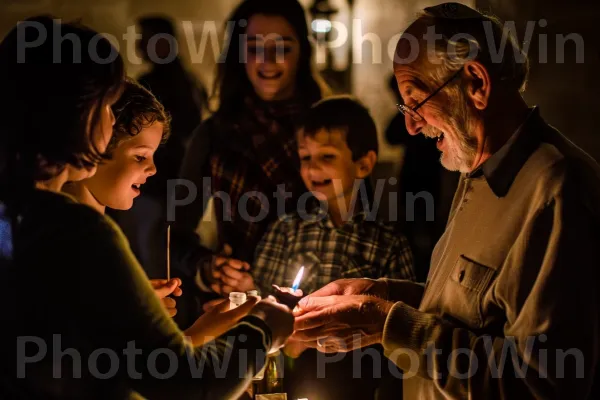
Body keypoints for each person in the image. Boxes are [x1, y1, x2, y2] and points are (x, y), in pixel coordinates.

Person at [290, 3, 600, 399]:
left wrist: (388, 323)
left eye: (416, 101)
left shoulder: (555, 190)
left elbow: (540, 384)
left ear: (475, 83)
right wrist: (381, 295)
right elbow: (472, 313)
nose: (410, 124)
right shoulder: (478, 173)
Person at [0, 16, 293, 399]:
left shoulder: (17, 212)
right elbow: (187, 384)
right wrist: (263, 327)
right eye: (106, 106)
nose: (110, 120)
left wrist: (144, 321)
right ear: (72, 111)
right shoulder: (72, 229)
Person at [171, 0, 329, 317]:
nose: (267, 60)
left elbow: (360, 220)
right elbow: (175, 235)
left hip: (320, 304)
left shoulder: (328, 128)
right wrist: (208, 267)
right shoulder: (214, 134)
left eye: (282, 47)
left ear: (303, 53)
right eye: (254, 46)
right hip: (243, 306)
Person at [213, 96, 415, 298]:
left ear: (363, 164)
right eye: (305, 157)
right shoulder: (286, 230)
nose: (312, 167)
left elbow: (400, 318)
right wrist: (247, 289)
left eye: (327, 156)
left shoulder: (390, 245)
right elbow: (264, 300)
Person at [110, 15, 208, 278]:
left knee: (150, 261)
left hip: (156, 190)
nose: (141, 46)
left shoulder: (162, 85)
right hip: (165, 188)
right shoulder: (189, 82)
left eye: (147, 39)